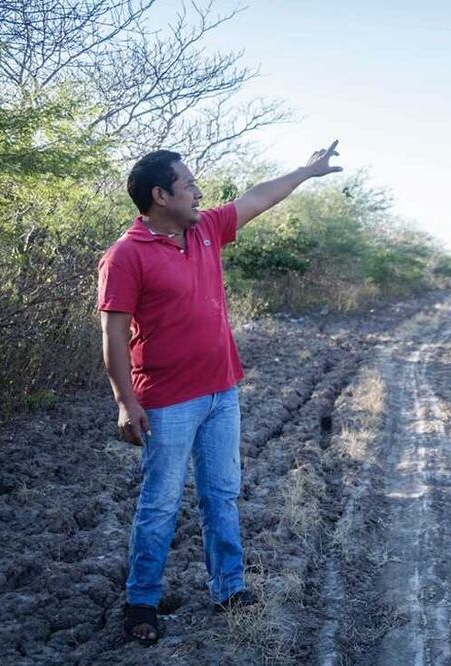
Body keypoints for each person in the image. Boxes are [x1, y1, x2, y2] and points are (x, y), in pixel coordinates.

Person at [97, 142, 342, 645]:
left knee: (222, 495)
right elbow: (113, 334)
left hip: (221, 392)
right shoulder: (126, 255)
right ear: (161, 195)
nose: (199, 192)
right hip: (167, 401)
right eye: (189, 185)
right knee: (161, 503)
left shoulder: (205, 229)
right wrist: (126, 401)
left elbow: (258, 197)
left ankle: (229, 587)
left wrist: (306, 170)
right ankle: (141, 600)